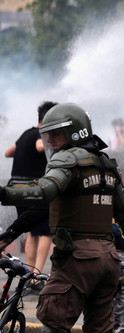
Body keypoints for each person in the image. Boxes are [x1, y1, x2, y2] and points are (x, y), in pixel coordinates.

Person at [0, 102, 124, 333]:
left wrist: (4, 192)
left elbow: (44, 192)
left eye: (55, 136)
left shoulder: (68, 159)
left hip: (76, 259)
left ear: (72, 132)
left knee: (54, 328)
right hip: (110, 259)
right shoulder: (107, 165)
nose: (51, 143)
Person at [3, 101, 57, 285]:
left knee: (32, 232)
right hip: (32, 190)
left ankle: (29, 274)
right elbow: (40, 147)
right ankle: (36, 277)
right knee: (46, 232)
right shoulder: (41, 135)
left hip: (16, 189)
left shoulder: (26, 133)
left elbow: (8, 152)